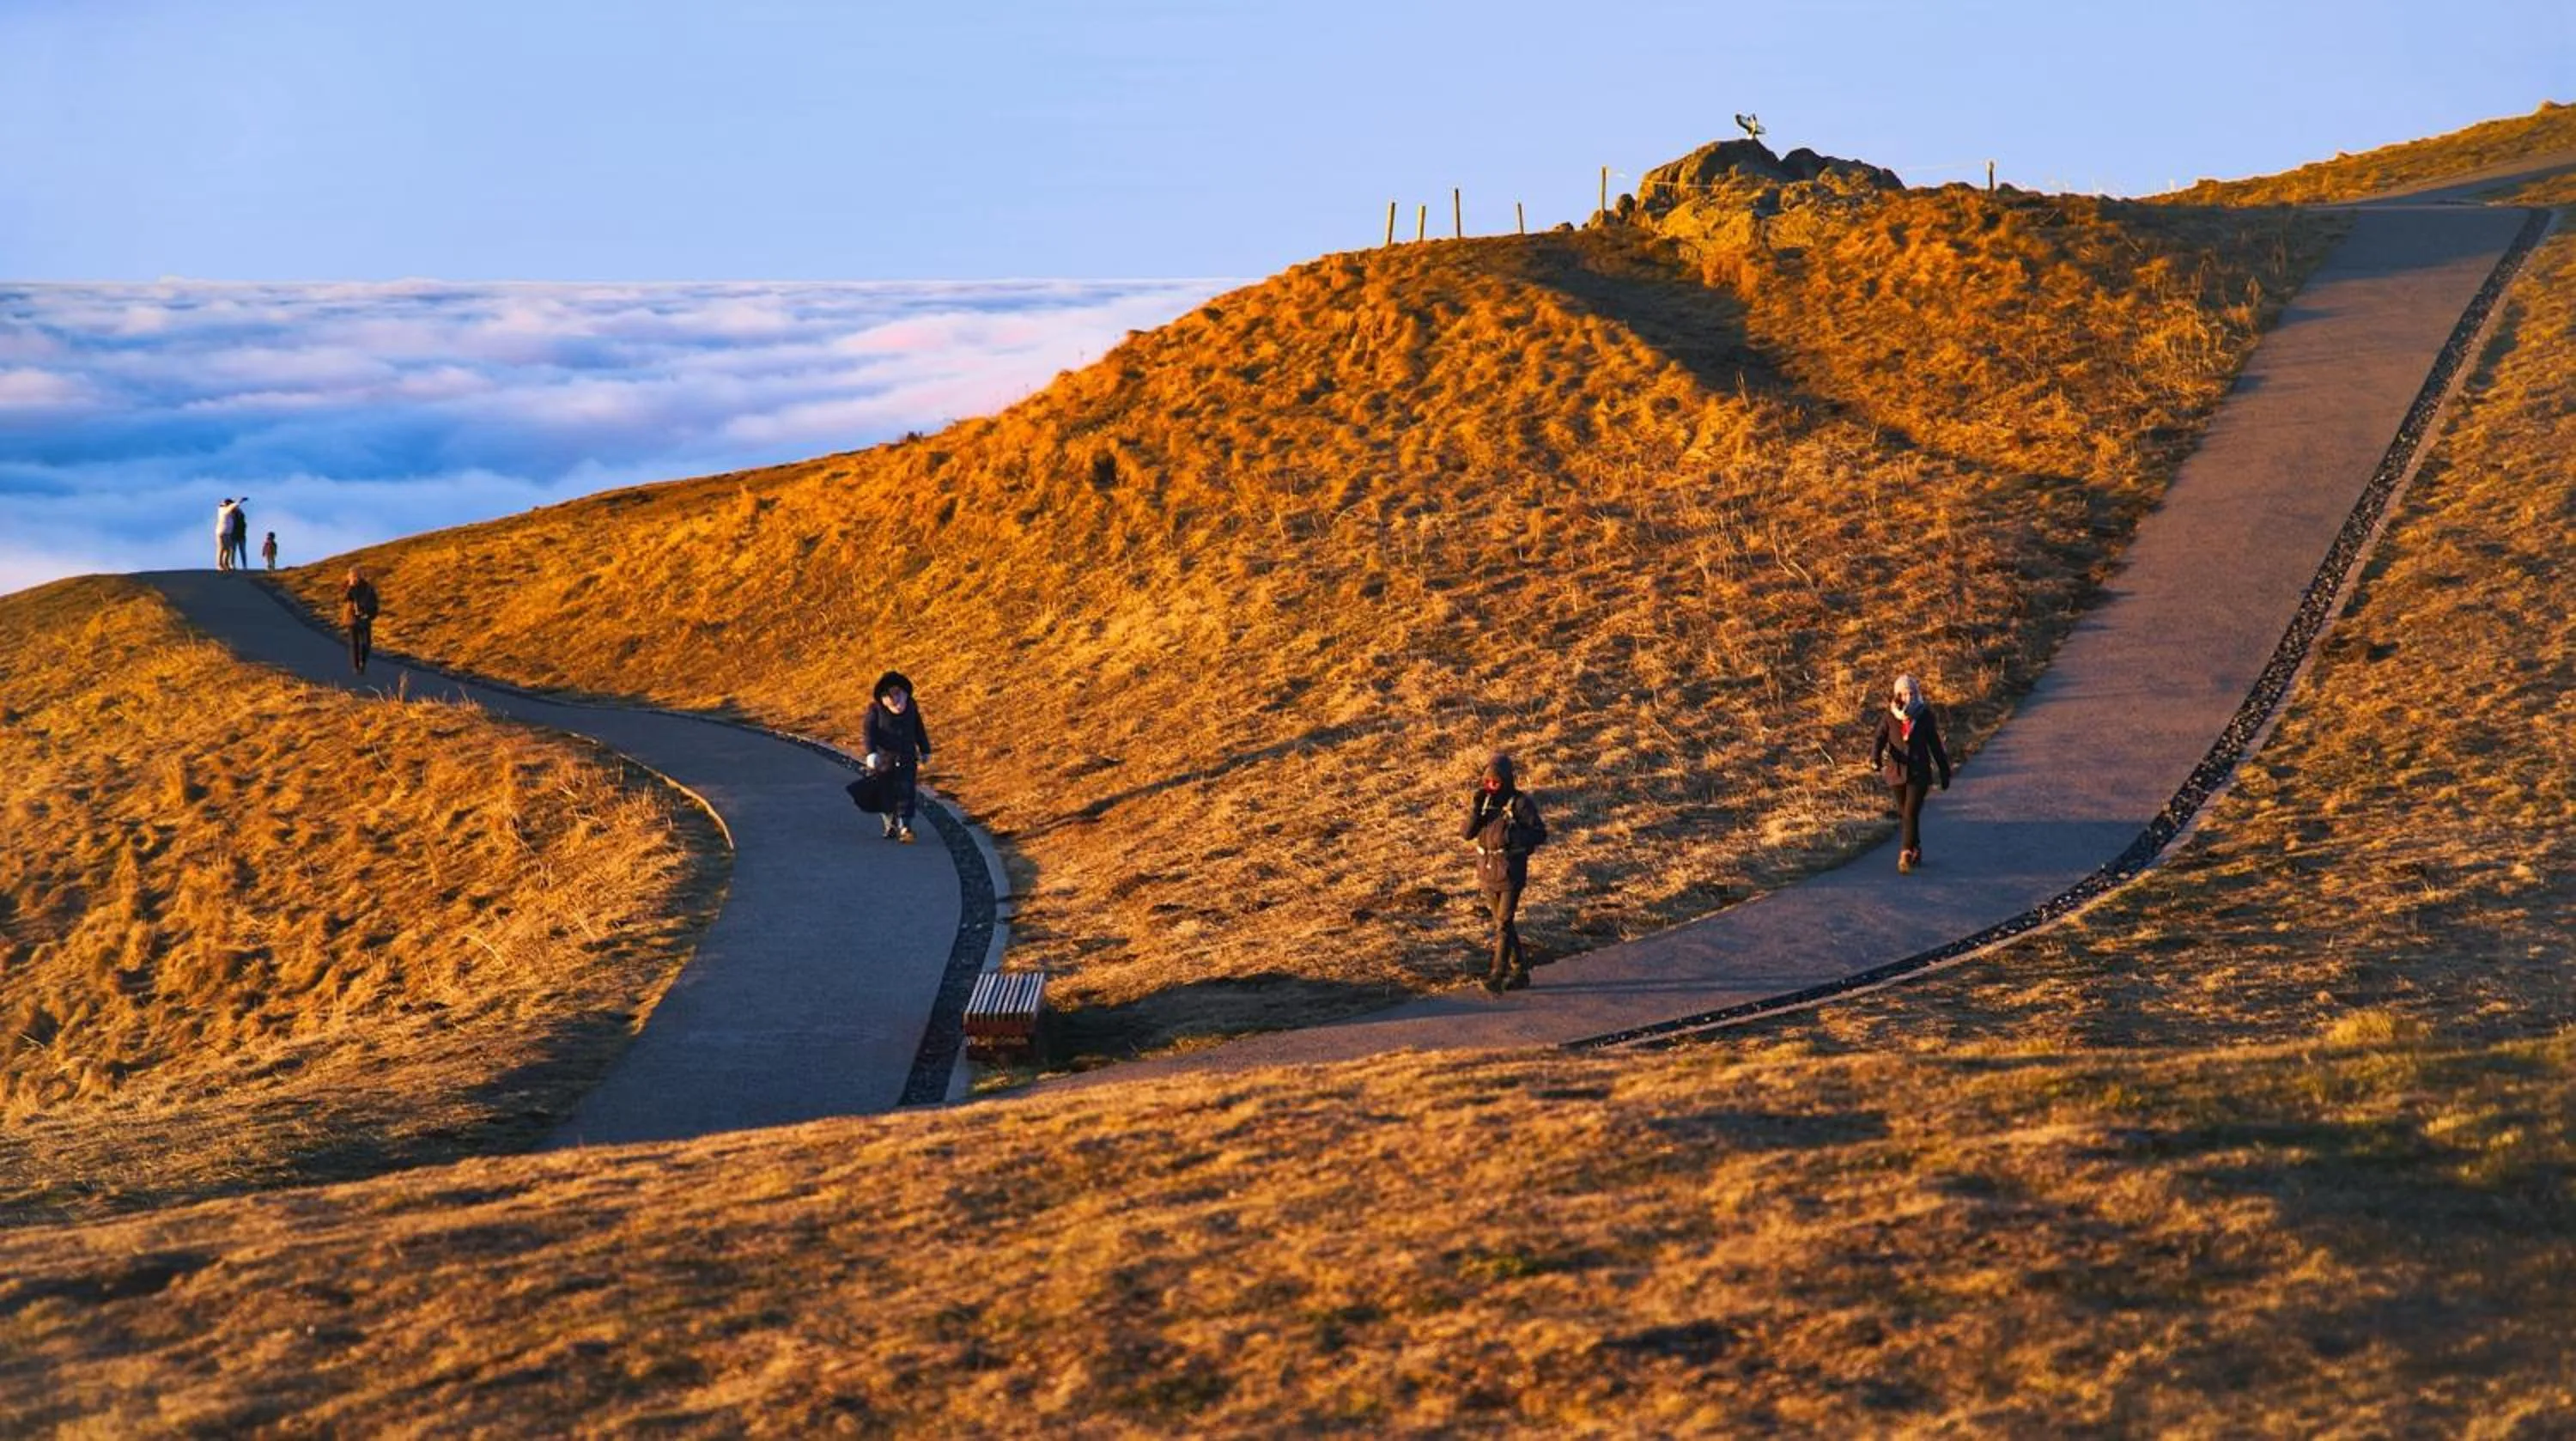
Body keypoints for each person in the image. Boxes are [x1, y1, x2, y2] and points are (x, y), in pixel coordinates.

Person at [1461, 752, 1546, 993]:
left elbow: (1540, 833)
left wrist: (1514, 836)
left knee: (1503, 924)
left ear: (1507, 781)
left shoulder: (1520, 804)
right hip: (1487, 873)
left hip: (1511, 873)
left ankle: (1497, 974)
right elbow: (1466, 834)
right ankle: (1519, 970)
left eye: (1496, 783)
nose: (1491, 787)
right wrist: (1475, 810)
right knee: (1503, 924)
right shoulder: (1485, 804)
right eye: (1487, 782)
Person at [1870, 673, 1951, 873]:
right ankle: (1916, 847)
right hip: (1896, 772)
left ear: (1916, 694)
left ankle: (1905, 853)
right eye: (1902, 694)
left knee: (1910, 812)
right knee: (1904, 814)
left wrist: (1944, 770)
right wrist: (1875, 759)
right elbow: (1879, 738)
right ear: (1896, 695)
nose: (1906, 698)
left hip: (1919, 773)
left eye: (1910, 693)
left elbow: (1935, 744)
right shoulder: (1890, 716)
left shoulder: (1924, 715)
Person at [862, 671, 933, 842]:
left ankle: (905, 826)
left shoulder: (911, 706)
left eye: (898, 692)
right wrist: (871, 753)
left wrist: (925, 749)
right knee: (886, 793)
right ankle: (890, 824)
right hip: (884, 759)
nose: (895, 697)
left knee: (906, 791)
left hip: (907, 756)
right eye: (890, 693)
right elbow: (869, 733)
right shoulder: (876, 709)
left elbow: (919, 729)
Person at [340, 565, 380, 676]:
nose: (355, 577)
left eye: (357, 574)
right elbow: (344, 599)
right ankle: (356, 666)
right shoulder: (347, 587)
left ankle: (363, 662)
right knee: (354, 643)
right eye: (353, 575)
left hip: (365, 618)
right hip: (352, 618)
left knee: (366, 643)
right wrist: (350, 587)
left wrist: (371, 614)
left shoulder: (368, 587)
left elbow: (374, 601)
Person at [225, 498, 251, 571]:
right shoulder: (231, 513)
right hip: (235, 534)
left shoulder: (239, 513)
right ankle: (232, 564)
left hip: (241, 534)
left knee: (241, 551)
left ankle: (244, 565)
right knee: (233, 551)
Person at [214, 499, 237, 569]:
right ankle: (219, 565)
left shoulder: (229, 512)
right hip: (221, 533)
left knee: (228, 549)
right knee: (221, 548)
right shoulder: (223, 510)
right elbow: (232, 506)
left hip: (227, 533)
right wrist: (239, 501)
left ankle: (225, 564)